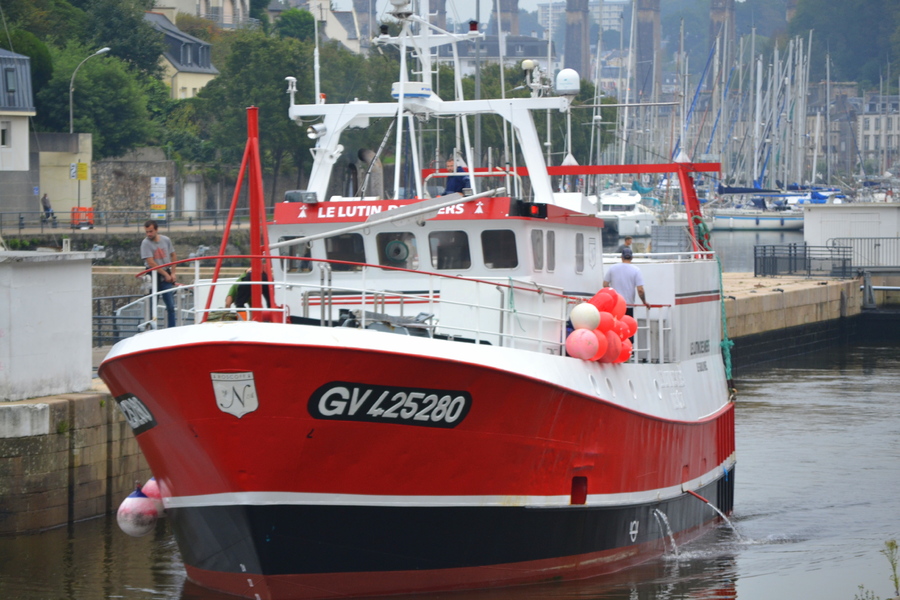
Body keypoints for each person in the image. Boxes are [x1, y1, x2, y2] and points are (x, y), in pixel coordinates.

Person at [141, 220, 178, 328]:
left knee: (170, 305)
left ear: (156, 230)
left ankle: (171, 329)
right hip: (153, 274)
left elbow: (174, 256)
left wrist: (173, 273)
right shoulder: (146, 243)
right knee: (152, 305)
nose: (149, 234)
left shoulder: (166, 240)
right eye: (147, 232)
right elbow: (151, 262)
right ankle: (152, 329)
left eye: (151, 231)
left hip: (165, 272)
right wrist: (166, 275)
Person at [603, 247, 650, 318]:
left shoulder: (612, 268)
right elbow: (640, 290)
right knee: (627, 326)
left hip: (615, 305)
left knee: (615, 326)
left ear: (621, 257)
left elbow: (605, 284)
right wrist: (644, 302)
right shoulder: (636, 270)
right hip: (628, 305)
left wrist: (613, 296)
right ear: (632, 258)